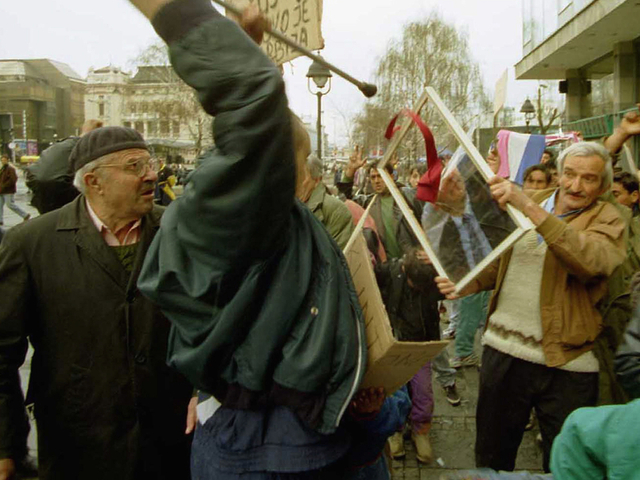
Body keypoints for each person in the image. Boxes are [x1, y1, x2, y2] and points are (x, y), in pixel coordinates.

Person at [132, 1, 367, 478]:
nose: (307, 183)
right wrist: (180, 14)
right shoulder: (247, 216)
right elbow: (252, 99)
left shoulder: (234, 216)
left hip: (271, 437)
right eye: (292, 167)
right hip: (273, 451)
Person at [0, 126, 194, 480]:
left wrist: (203, 389)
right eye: (135, 166)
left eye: (149, 163)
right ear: (94, 181)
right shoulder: (30, 245)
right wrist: (5, 445)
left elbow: (212, 320)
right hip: (77, 447)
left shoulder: (180, 232)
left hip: (172, 443)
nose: (151, 174)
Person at [437, 142, 626, 473]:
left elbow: (589, 261)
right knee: (491, 459)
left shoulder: (609, 218)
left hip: (567, 364)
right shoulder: (533, 202)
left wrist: (527, 204)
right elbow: (503, 261)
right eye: (569, 174)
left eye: (589, 178)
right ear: (558, 174)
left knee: (565, 465)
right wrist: (468, 282)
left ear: (604, 186)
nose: (576, 186)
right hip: (503, 353)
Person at [25, 119, 103, 215]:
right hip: (71, 206)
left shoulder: (56, 148)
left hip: (45, 204)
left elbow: (33, 174)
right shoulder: (87, 151)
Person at [298, 153, 354, 250]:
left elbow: (338, 258)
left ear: (316, 180)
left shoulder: (337, 210)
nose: (296, 182)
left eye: (301, 176)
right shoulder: (286, 208)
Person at [0, 154, 30, 226]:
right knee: (0, 206)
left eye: (4, 160)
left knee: (10, 205)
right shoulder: (2, 169)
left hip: (8, 191)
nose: (3, 161)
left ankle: (25, 215)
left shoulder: (11, 169)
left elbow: (13, 180)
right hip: (1, 191)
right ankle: (0, 220)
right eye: (2, 160)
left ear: (8, 160)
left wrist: (4, 186)